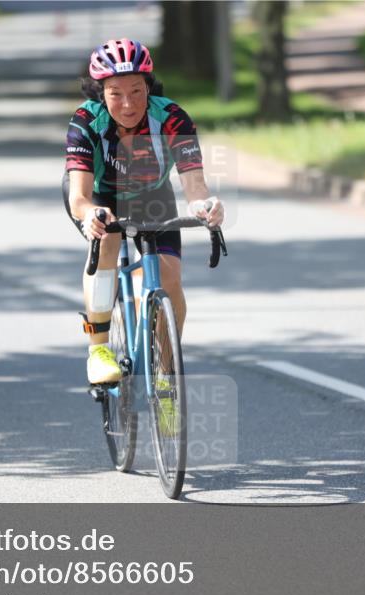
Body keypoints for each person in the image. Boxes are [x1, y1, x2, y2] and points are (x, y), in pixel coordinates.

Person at [64, 38, 225, 384]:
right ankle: (99, 349)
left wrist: (204, 205)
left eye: (137, 91)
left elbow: (194, 184)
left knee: (170, 278)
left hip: (153, 194)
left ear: (148, 87)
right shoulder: (85, 122)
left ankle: (167, 374)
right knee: (107, 240)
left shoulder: (171, 118)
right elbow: (79, 196)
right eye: (115, 93)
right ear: (99, 93)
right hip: (100, 196)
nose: (127, 104)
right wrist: (91, 213)